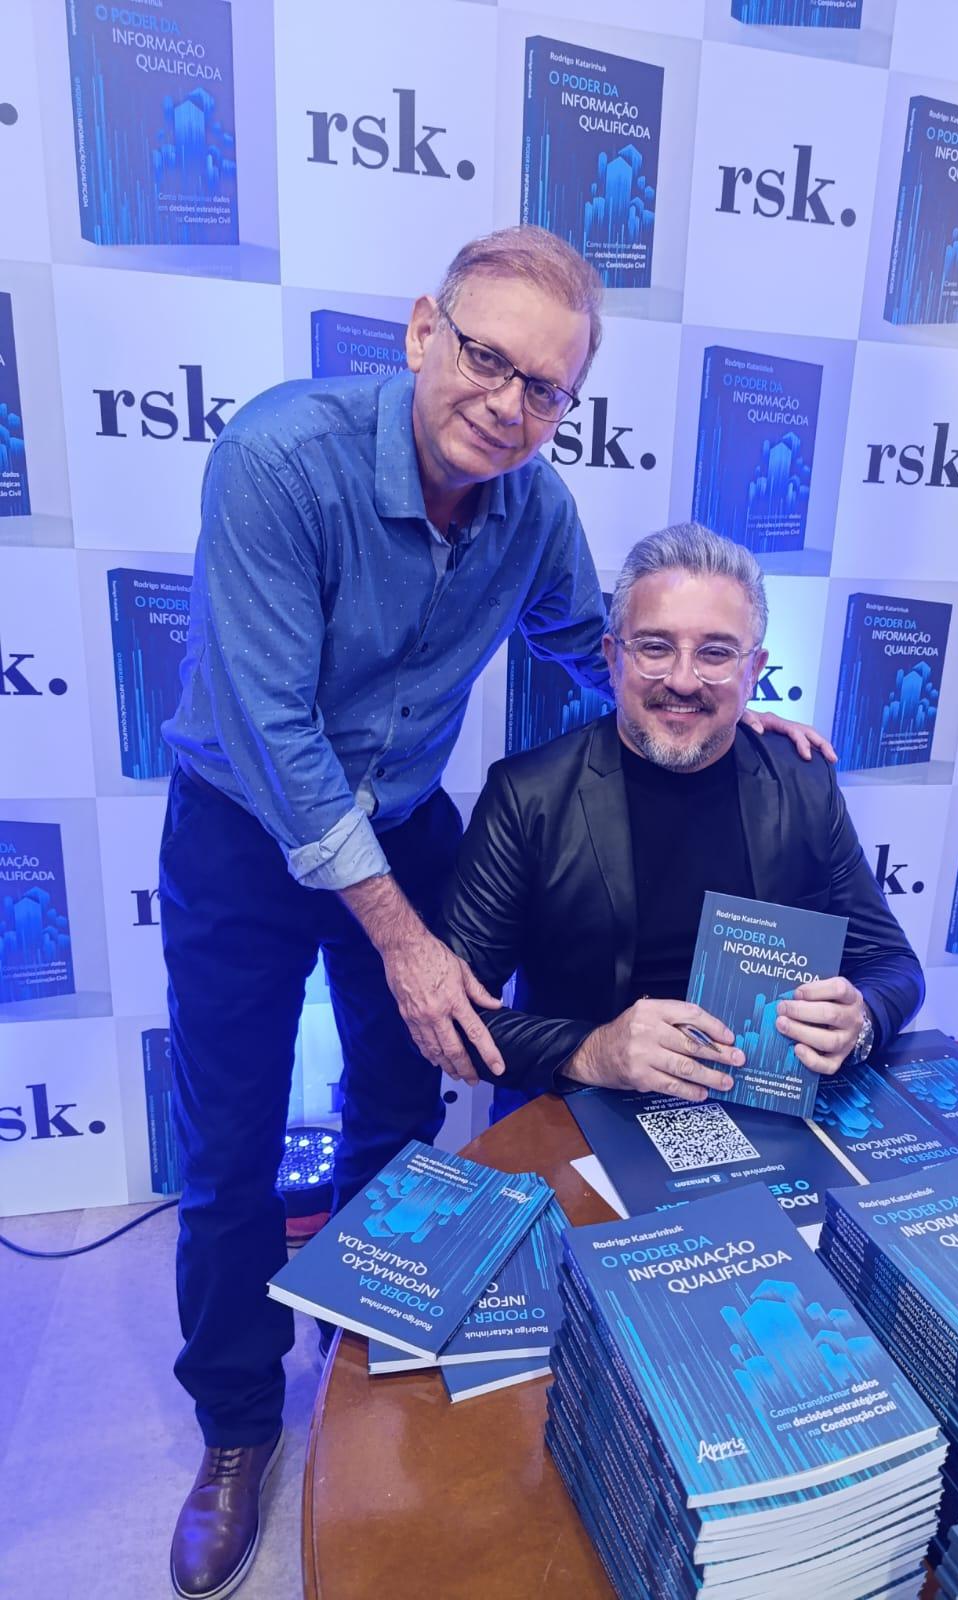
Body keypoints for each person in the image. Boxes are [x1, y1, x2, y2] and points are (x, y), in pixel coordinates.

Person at [158, 228, 830, 1600]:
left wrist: (714, 704)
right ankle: (236, 1424)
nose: (507, 404)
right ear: (423, 331)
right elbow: (277, 735)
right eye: (484, 358)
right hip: (244, 827)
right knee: (230, 1150)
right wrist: (402, 938)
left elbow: (589, 639)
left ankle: (364, 1363)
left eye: (544, 387)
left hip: (405, 814)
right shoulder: (279, 460)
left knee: (400, 1114)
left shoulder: (532, 504)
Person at [440, 524, 924, 1106]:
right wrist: (593, 1051)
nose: (682, 680)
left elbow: (892, 963)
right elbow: (456, 1017)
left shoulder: (803, 781)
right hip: (584, 1113)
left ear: (754, 670)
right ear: (613, 657)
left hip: (761, 1105)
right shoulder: (527, 796)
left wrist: (861, 1019)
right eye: (655, 647)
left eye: (716, 653)